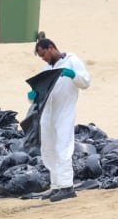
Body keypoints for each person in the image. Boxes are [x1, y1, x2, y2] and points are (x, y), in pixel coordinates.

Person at [30, 35, 91, 202]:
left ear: (51, 48)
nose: (43, 59)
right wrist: (32, 95)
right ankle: (56, 185)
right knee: (48, 149)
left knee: (63, 147)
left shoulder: (72, 60)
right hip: (47, 114)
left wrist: (72, 75)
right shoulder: (46, 69)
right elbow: (40, 92)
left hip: (64, 112)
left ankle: (66, 186)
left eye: (44, 55)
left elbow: (85, 82)